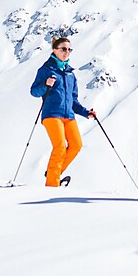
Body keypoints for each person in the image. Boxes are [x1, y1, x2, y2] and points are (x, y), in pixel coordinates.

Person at [29, 35, 100, 188]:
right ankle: (52, 185)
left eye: (69, 49)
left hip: (69, 115)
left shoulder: (70, 75)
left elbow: (73, 100)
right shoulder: (46, 70)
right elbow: (34, 91)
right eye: (63, 49)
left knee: (76, 145)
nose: (66, 52)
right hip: (52, 114)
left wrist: (86, 112)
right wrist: (45, 84)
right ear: (54, 50)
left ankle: (54, 172)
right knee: (60, 146)